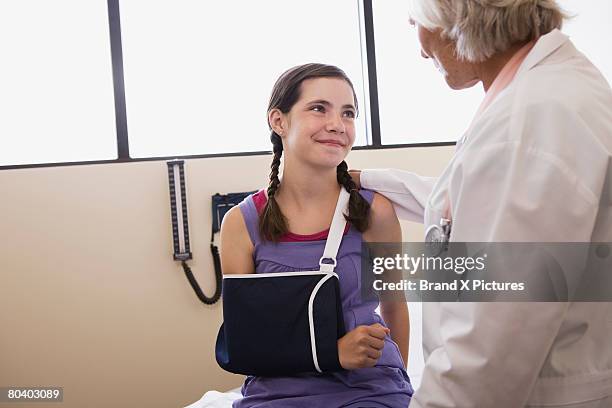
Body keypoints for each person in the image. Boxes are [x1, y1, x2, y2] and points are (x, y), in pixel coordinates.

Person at [351, 0, 612, 407]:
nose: (420, 47)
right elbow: (466, 205)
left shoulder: (531, 119)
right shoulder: (549, 93)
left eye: (417, 21)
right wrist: (368, 179)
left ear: (456, 17)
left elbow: (487, 351)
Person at [220, 63, 413, 408]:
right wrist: (332, 353)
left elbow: (394, 306)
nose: (337, 125)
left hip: (369, 389)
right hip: (276, 394)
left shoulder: (374, 212)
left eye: (348, 113)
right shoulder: (242, 223)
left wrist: (400, 387)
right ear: (279, 121)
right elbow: (246, 341)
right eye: (318, 108)